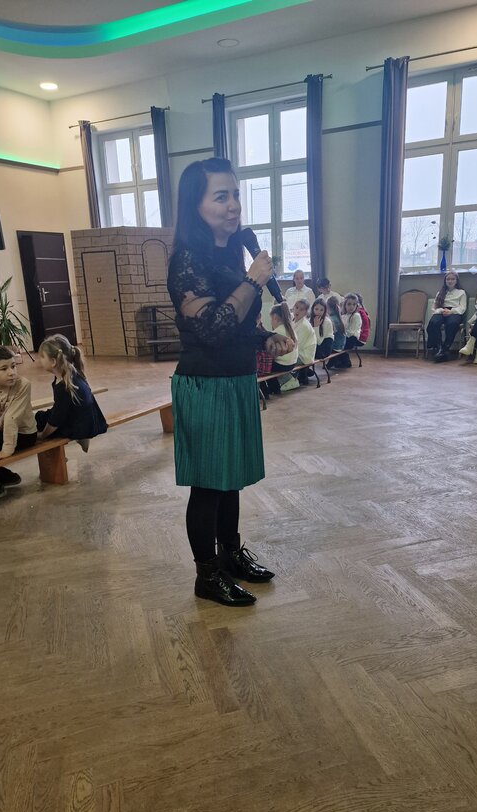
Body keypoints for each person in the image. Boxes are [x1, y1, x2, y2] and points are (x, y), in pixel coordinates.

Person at [167, 157, 294, 607]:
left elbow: (238, 322)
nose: (233, 205)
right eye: (220, 196)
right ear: (196, 205)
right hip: (205, 384)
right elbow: (211, 328)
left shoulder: (229, 253)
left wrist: (265, 337)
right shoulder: (187, 260)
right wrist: (253, 281)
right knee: (209, 486)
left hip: (237, 379)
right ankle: (207, 576)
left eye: (236, 194)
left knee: (231, 479)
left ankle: (231, 555)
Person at [36, 334, 107, 448]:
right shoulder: (72, 374)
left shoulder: (64, 387)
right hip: (90, 420)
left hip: (80, 427)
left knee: (39, 422)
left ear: (53, 362)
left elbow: (56, 420)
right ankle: (82, 438)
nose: (40, 360)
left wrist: (42, 435)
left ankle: (79, 439)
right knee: (40, 416)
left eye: (42, 357)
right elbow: (61, 409)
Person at [0, 346, 37, 499]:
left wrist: (7, 450)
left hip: (24, 434)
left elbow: (11, 418)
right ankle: (5, 476)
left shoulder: (23, 384)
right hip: (2, 431)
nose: (11, 372)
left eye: (13, 366)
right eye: (4, 369)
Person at [427, 270, 467, 362]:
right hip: (441, 311)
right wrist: (440, 310)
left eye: (452, 279)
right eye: (448, 279)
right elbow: (434, 307)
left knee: (452, 324)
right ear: (445, 281)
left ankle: (445, 348)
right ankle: (439, 347)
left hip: (454, 312)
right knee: (433, 322)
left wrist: (451, 311)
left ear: (456, 281)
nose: (450, 281)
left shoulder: (461, 292)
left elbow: (462, 308)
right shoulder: (440, 293)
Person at [267, 301, 298, 393]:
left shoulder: (276, 333)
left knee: (264, 366)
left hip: (283, 365)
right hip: (293, 363)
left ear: (275, 318)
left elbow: (271, 354)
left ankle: (273, 388)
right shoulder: (291, 329)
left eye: (271, 319)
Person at [333, 293, 362, 369]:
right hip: (345, 337)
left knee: (338, 344)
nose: (351, 307)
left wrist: (341, 335)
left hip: (352, 338)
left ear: (356, 306)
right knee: (334, 342)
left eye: (354, 304)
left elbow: (352, 331)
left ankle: (342, 361)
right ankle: (341, 361)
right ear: (345, 305)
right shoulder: (343, 316)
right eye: (349, 304)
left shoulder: (356, 316)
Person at [292, 299, 316, 385]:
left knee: (280, 360)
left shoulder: (304, 326)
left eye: (301, 309)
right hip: (297, 352)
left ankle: (288, 380)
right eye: (296, 307)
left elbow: (299, 345)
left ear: (306, 312)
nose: (297, 311)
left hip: (304, 355)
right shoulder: (293, 321)